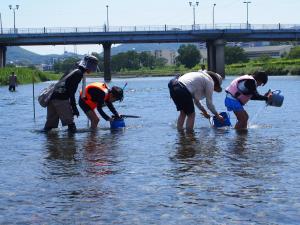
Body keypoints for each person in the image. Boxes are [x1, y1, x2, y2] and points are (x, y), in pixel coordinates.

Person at [44, 55, 99, 132]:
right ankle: (71, 143)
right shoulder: (78, 73)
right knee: (71, 126)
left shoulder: (73, 69)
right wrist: (74, 108)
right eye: (92, 68)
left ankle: (50, 143)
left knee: (49, 127)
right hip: (61, 99)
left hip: (52, 97)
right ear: (89, 67)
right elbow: (71, 93)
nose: (91, 71)